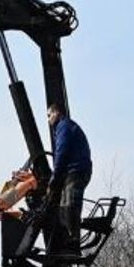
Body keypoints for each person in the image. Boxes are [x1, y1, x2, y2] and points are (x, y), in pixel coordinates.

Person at [46, 103, 93, 254]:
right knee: (66, 205)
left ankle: (73, 242)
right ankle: (70, 241)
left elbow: (62, 153)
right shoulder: (66, 127)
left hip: (76, 170)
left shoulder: (64, 127)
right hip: (76, 170)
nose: (48, 120)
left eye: (49, 115)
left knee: (70, 205)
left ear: (57, 113)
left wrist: (54, 178)